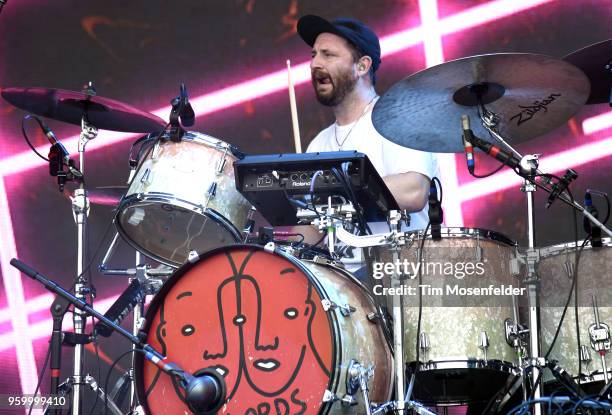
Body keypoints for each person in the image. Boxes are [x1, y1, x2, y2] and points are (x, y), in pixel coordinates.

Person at [294, 15, 440, 268]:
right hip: (343, 290)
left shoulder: (395, 119)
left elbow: (414, 191)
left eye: (328, 55)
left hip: (403, 277)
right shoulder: (318, 144)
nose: (315, 63)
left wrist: (334, 189)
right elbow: (315, 232)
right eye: (313, 54)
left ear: (362, 66)